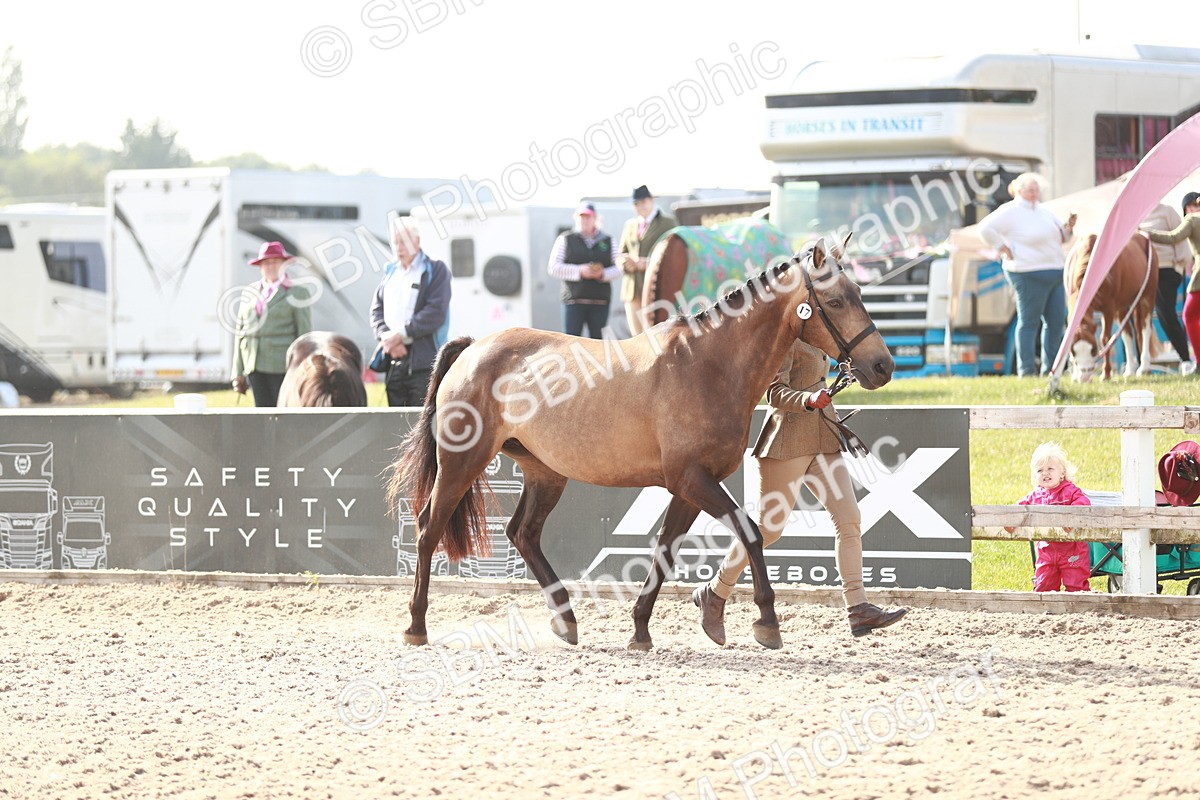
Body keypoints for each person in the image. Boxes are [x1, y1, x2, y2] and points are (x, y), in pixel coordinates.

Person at [691, 340, 908, 641]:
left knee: (849, 519)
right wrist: (808, 399)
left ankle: (858, 607)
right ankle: (715, 592)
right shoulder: (786, 339)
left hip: (823, 440)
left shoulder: (822, 336)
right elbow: (773, 392)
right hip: (787, 443)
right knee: (768, 530)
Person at [978, 173, 1076, 376]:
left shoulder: (1044, 211)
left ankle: (1052, 369)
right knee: (1029, 322)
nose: (1034, 193)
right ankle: (1026, 370)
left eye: (1036, 190)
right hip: (1027, 272)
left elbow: (1063, 237)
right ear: (1019, 190)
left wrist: (1069, 228)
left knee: (1056, 323)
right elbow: (985, 229)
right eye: (1030, 190)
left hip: (1055, 271)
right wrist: (1002, 246)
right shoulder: (1010, 211)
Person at [370, 216, 452, 407]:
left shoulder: (435, 269)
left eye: (404, 242)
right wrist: (387, 338)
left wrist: (400, 335)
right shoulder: (391, 272)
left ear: (417, 241)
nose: (399, 248)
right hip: (393, 359)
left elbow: (435, 312)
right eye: (395, 242)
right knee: (394, 419)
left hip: (425, 363)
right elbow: (376, 310)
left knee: (422, 419)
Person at [231, 241, 313, 407]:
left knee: (283, 411)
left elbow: (304, 334)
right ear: (260, 267)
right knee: (261, 412)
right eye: (266, 263)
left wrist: (302, 368)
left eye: (275, 262)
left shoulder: (298, 292)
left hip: (282, 365)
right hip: (254, 364)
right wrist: (237, 372)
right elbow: (240, 332)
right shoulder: (249, 292)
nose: (271, 266)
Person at [1004, 442, 1092, 592]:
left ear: (1062, 473)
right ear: (1035, 476)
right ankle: (1045, 605)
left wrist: (1070, 518)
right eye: (1040, 470)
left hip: (1072, 550)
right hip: (1046, 551)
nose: (1045, 473)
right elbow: (1019, 508)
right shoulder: (1035, 496)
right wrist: (1012, 521)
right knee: (1044, 585)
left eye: (1050, 469)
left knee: (1076, 585)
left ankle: (1078, 604)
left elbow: (1083, 503)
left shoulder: (1070, 491)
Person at [1145, 191, 1200, 377]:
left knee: (1186, 315)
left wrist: (1148, 234)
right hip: (1158, 270)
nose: (1193, 209)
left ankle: (1194, 360)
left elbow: (1174, 238)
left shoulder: (1188, 219)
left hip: (1179, 272)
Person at [547, 202, 619, 339]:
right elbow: (553, 267)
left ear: (595, 218)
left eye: (588, 217)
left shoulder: (609, 240)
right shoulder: (565, 239)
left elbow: (619, 267)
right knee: (571, 341)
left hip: (600, 301)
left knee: (597, 343)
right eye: (582, 216)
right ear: (576, 218)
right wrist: (580, 271)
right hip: (574, 300)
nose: (585, 220)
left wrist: (602, 274)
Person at [617, 185, 677, 335]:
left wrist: (648, 263)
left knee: (656, 335)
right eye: (636, 203)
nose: (640, 206)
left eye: (643, 202)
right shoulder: (630, 224)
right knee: (636, 336)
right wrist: (624, 263)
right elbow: (621, 253)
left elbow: (674, 253)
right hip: (632, 289)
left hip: (655, 288)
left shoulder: (668, 222)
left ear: (651, 200)